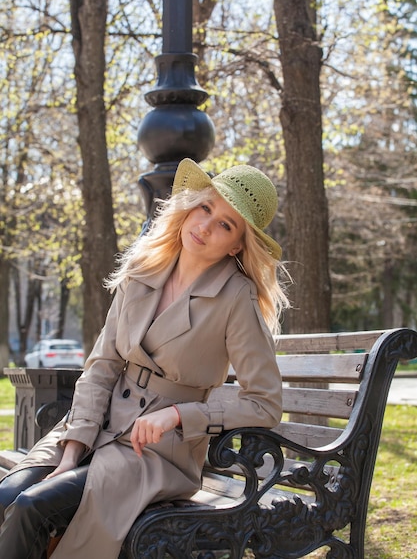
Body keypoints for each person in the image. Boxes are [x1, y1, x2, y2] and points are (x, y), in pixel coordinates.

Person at [0, 157, 290, 559]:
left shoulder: (236, 297)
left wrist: (179, 416)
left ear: (238, 244)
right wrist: (71, 450)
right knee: (8, 496)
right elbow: (101, 366)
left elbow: (265, 402)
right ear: (191, 206)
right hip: (97, 424)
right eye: (205, 207)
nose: (205, 226)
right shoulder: (143, 269)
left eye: (225, 224)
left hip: (156, 452)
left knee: (33, 508)